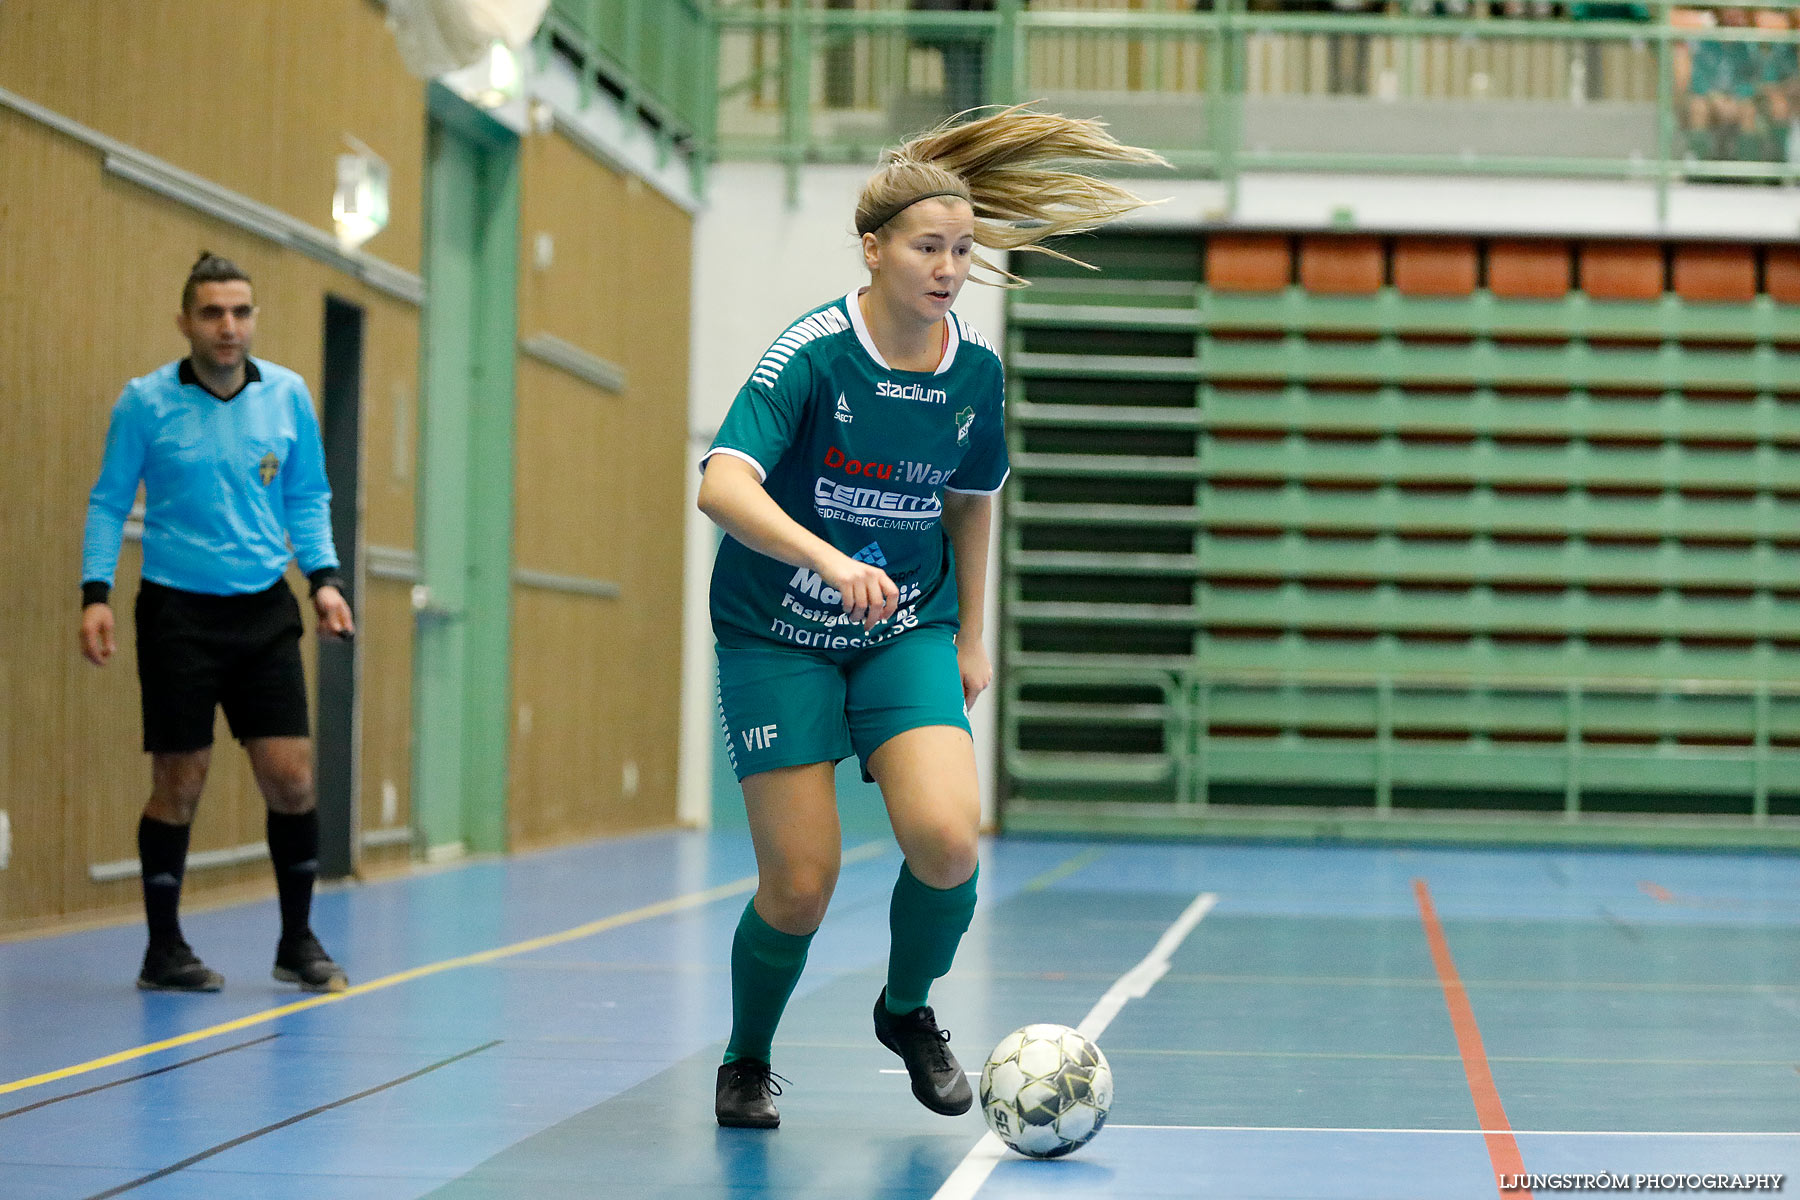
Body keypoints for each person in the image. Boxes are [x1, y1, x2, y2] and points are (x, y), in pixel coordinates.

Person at [698, 104, 1165, 1129]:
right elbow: (722, 483)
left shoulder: (973, 375)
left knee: (949, 844)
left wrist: (973, 631)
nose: (950, 267)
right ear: (873, 248)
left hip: (904, 627)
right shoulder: (814, 355)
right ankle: (746, 1057)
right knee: (801, 885)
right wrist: (822, 555)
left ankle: (906, 1010)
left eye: (962, 249)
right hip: (776, 628)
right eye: (928, 247)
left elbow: (969, 502)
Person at [80, 252, 355, 994]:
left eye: (239, 312)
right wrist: (94, 592)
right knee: (181, 780)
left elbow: (307, 496)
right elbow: (109, 501)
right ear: (185, 322)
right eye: (211, 313)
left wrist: (324, 581)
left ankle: (297, 940)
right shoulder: (145, 403)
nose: (227, 327)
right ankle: (163, 948)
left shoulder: (288, 396)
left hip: (264, 608)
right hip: (177, 611)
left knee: (291, 780)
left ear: (253, 320)